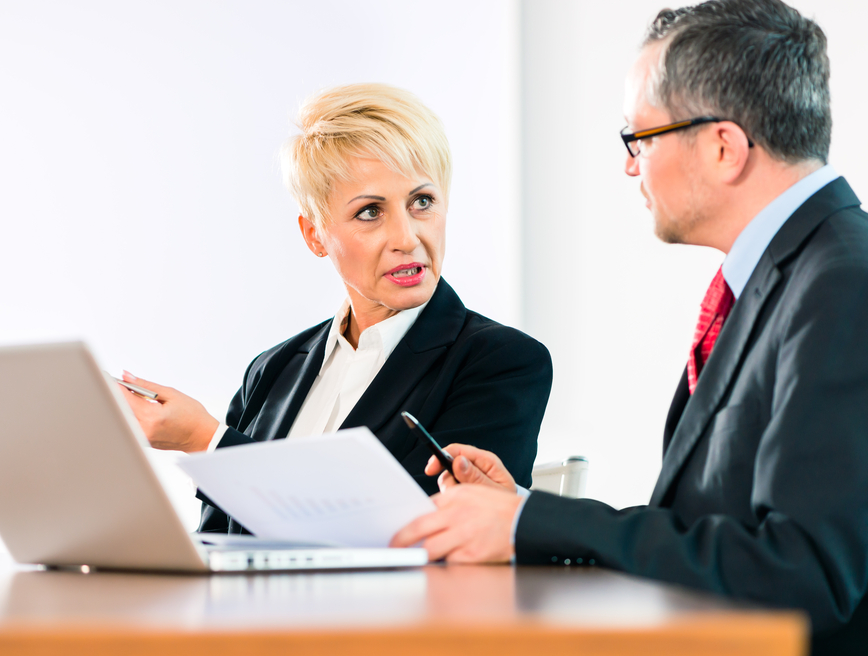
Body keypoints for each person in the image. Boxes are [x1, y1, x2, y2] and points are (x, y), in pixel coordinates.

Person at [390, 0, 868, 655]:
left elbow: (796, 576)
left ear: (724, 147)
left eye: (637, 138)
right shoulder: (797, 276)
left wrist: (530, 522)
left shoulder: (852, 291)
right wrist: (522, 511)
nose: (628, 165)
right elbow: (712, 532)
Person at [119, 83, 553, 533]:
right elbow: (219, 542)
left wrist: (205, 441)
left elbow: (419, 534)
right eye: (370, 212)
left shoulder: (502, 362)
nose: (407, 238)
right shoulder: (272, 370)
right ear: (315, 236)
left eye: (422, 202)